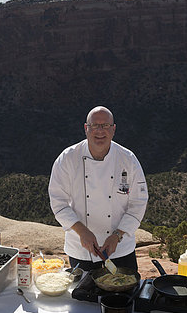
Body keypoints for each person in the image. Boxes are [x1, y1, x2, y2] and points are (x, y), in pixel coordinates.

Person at [48, 106, 148, 271]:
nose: (100, 131)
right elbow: (58, 202)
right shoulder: (67, 158)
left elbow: (139, 202)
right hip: (81, 248)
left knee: (125, 294)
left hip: (120, 248)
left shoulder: (128, 159)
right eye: (95, 125)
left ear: (113, 129)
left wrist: (117, 235)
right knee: (81, 296)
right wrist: (82, 232)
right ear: (86, 128)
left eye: (105, 125)